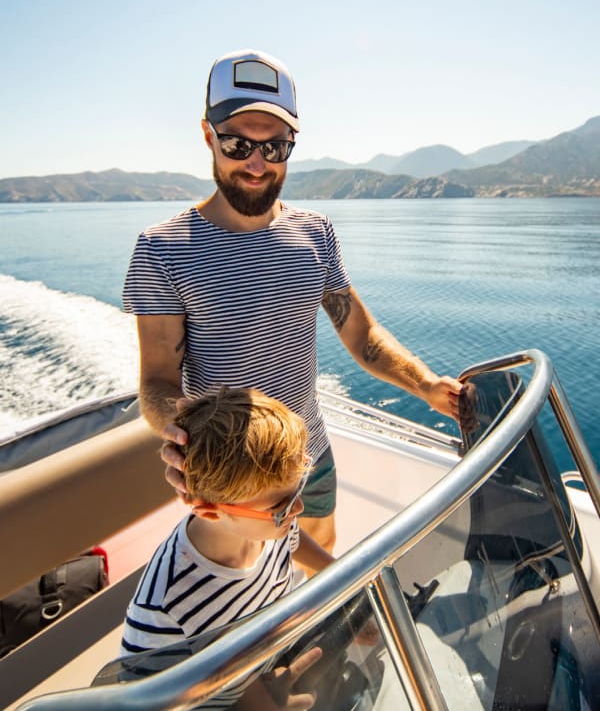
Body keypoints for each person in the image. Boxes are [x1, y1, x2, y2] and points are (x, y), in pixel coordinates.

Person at [122, 48, 464, 554]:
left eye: (275, 146)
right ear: (207, 136)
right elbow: (156, 381)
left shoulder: (316, 233)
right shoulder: (163, 249)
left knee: (320, 556)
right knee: (243, 586)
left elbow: (362, 335)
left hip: (310, 451)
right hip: (230, 476)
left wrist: (429, 386)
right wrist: (180, 431)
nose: (257, 164)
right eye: (237, 143)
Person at [120, 386, 332, 710]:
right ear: (209, 510)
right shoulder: (166, 606)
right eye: (282, 505)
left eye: (298, 488)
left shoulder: (270, 530)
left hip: (265, 663)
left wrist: (336, 571)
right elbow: (148, 702)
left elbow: (292, 542)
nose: (299, 508)